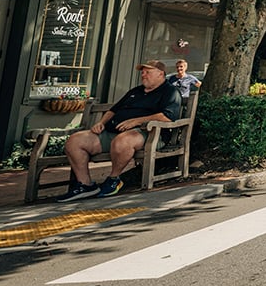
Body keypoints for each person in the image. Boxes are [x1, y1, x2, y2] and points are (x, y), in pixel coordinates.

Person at [58, 60, 182, 201]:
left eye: (148, 72)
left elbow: (167, 116)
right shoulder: (135, 91)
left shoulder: (170, 91)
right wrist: (101, 123)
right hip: (113, 132)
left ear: (161, 74)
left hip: (147, 134)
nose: (143, 75)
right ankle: (85, 185)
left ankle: (113, 179)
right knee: (75, 141)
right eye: (142, 72)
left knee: (123, 140)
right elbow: (113, 110)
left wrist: (137, 121)